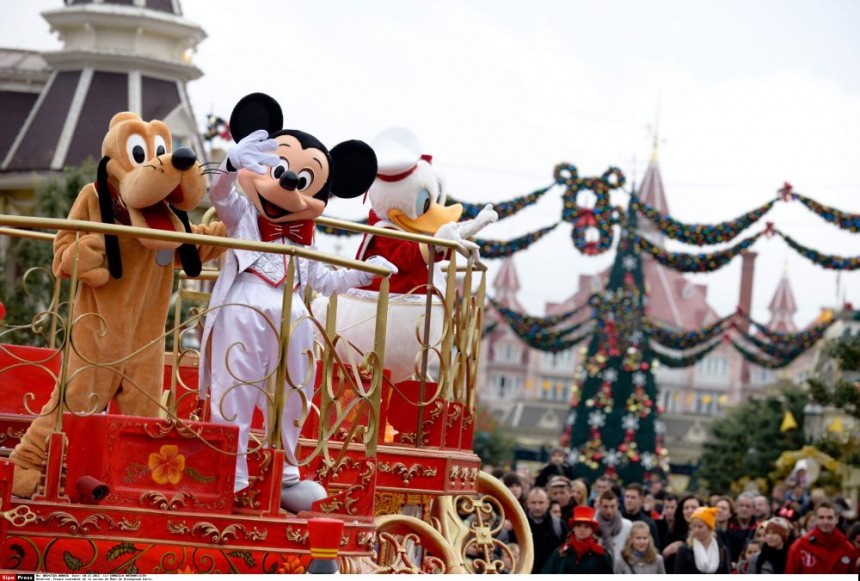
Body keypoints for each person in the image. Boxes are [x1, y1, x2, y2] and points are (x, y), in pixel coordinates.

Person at [785, 501, 858, 574]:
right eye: (821, 517)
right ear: (816, 519)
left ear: (837, 519)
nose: (825, 522)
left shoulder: (848, 549)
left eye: (830, 518)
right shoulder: (799, 547)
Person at [541, 505, 613, 574]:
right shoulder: (561, 553)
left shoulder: (601, 555)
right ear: (573, 528)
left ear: (592, 530)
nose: (582, 529)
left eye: (586, 526)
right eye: (578, 525)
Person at [674, 506, 730, 574]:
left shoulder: (722, 550)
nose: (696, 530)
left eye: (700, 527)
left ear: (710, 528)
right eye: (694, 526)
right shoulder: (684, 550)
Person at [526, 487, 567, 573]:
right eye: (533, 502)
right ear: (527, 503)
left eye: (541, 502)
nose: (537, 507)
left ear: (548, 503)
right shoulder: (519, 524)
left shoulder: (559, 525)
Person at [663, 494, 701, 573]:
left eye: (693, 507)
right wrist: (665, 552)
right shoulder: (672, 531)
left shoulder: (710, 533)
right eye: (686, 508)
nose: (689, 511)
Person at [595, 489, 632, 564]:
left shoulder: (627, 526)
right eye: (605, 507)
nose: (609, 511)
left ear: (617, 506)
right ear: (600, 506)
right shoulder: (592, 525)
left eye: (612, 506)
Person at [725, 492, 759, 567]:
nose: (744, 509)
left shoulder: (758, 528)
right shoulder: (727, 526)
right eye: (741, 505)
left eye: (748, 506)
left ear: (753, 510)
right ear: (736, 508)